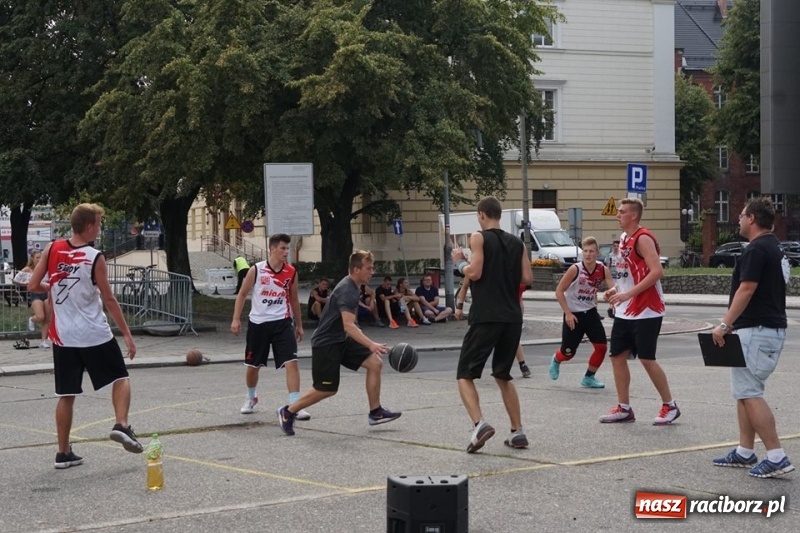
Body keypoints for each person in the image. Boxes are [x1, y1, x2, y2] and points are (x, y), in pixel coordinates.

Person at [28, 203, 142, 469]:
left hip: (64, 336)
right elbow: (110, 299)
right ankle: (122, 424)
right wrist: (127, 334)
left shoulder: (52, 248)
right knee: (120, 377)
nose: (99, 229)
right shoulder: (94, 256)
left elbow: (33, 285)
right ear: (89, 226)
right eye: (99, 224)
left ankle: (62, 453)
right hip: (93, 333)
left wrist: (53, 286)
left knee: (66, 394)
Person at [711, 197, 793, 478]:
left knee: (750, 393)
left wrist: (724, 324)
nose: (738, 219)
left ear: (753, 219)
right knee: (744, 392)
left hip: (758, 332)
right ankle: (745, 451)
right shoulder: (775, 247)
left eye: (742, 215)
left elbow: (746, 289)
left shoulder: (757, 249)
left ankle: (777, 456)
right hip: (762, 329)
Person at [276, 250, 401, 436]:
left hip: (341, 339)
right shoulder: (348, 289)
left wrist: (365, 343)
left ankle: (376, 413)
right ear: (357, 269)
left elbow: (349, 325)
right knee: (326, 388)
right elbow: (348, 325)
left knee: (375, 363)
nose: (372, 272)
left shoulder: (355, 286)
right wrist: (370, 344)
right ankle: (288, 411)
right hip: (326, 343)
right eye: (369, 268)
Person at [451, 196, 533, 453]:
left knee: (464, 373)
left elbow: (474, 272)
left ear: (481, 215)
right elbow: (527, 277)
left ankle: (479, 425)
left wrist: (459, 262)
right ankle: (517, 431)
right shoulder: (517, 242)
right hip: (512, 317)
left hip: (487, 315)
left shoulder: (479, 237)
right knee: (502, 374)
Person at [601, 198, 679, 425]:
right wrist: (616, 290)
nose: (618, 215)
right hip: (626, 309)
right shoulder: (624, 239)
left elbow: (657, 272)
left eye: (622, 212)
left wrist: (628, 294)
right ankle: (624, 407)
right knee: (617, 356)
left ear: (634, 215)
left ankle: (670, 405)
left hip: (647, 310)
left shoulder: (643, 238)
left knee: (646, 358)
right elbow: (629, 275)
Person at [231, 233, 310, 421]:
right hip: (259, 323)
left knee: (292, 362)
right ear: (272, 249)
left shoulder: (291, 272)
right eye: (283, 248)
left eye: (287, 248)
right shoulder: (256, 270)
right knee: (253, 366)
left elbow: (294, 299)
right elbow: (242, 294)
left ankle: (295, 405)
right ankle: (251, 397)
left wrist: (299, 325)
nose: (286, 252)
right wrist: (236, 319)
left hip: (282, 322)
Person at [549, 237, 614, 389]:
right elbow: (559, 291)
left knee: (601, 347)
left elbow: (613, 288)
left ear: (597, 253)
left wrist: (612, 296)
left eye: (591, 251)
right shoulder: (575, 269)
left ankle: (589, 377)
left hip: (590, 313)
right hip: (574, 314)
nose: (588, 254)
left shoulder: (602, 269)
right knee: (568, 353)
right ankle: (557, 359)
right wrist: (568, 313)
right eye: (585, 251)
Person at [455, 277, 531, 378]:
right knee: (483, 340)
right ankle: (472, 369)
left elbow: (522, 288)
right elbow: (464, 287)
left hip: (510, 309)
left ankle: (521, 364)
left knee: (511, 339)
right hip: (488, 313)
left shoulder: (507, 270)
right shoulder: (473, 271)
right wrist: (459, 307)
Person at [13, 250, 51, 348]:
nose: (39, 259)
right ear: (33, 259)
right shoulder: (28, 269)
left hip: (46, 294)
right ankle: (32, 319)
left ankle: (43, 341)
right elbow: (15, 280)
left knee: (47, 318)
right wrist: (27, 284)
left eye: (40, 257)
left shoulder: (46, 268)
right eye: (37, 257)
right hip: (35, 294)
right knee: (40, 316)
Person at [603, 240, 620, 318]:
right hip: (612, 277)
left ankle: (615, 309)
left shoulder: (621, 256)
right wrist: (607, 277)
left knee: (618, 293)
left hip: (619, 277)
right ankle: (611, 308)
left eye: (617, 246)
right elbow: (607, 267)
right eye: (615, 246)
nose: (616, 248)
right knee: (613, 293)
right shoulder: (610, 256)